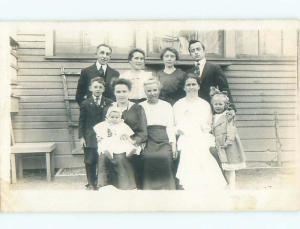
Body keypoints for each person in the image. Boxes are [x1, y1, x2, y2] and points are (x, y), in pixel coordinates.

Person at [173, 76, 227, 190]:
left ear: (198, 86)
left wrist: (200, 129)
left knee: (202, 149)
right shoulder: (179, 104)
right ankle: (190, 183)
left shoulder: (205, 104)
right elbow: (177, 124)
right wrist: (187, 130)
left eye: (193, 84)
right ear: (184, 88)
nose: (191, 87)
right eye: (188, 85)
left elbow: (207, 125)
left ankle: (206, 184)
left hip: (201, 134)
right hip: (185, 135)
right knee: (189, 148)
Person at [109, 78, 148, 189]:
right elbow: (105, 127)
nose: (121, 95)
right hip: (113, 142)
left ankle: (128, 187)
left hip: (132, 142)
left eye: (124, 91)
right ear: (114, 93)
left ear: (129, 92)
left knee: (121, 156)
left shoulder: (137, 108)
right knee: (104, 156)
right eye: (118, 92)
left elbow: (143, 132)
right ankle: (107, 187)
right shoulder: (110, 108)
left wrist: (135, 141)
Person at [140, 78, 176, 190]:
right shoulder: (140, 106)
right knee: (147, 156)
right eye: (149, 91)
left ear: (159, 91)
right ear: (145, 92)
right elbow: (139, 127)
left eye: (155, 90)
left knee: (165, 156)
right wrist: (141, 142)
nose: (152, 93)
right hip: (148, 137)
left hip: (163, 137)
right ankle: (149, 187)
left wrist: (173, 144)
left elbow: (170, 126)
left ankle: (167, 187)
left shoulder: (166, 106)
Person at [78, 77, 113, 190]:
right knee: (90, 160)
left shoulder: (109, 102)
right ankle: (91, 183)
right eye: (95, 87)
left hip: (104, 136)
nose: (98, 89)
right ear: (90, 88)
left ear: (104, 89)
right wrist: (81, 137)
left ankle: (101, 182)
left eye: (100, 87)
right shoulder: (85, 103)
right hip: (90, 136)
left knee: (102, 159)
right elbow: (81, 121)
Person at [94, 106, 140, 190]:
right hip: (109, 142)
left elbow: (128, 135)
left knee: (127, 145)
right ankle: (109, 154)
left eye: (117, 117)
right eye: (112, 117)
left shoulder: (122, 125)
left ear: (120, 118)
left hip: (119, 142)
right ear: (107, 117)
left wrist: (127, 138)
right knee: (104, 145)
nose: (114, 119)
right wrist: (99, 137)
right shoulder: (104, 125)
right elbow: (99, 134)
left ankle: (130, 151)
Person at [210, 87, 246, 189]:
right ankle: (225, 185)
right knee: (223, 166)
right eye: (215, 104)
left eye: (220, 104)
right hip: (219, 144)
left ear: (225, 105)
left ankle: (232, 186)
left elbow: (232, 129)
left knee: (230, 167)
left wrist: (229, 140)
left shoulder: (228, 115)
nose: (217, 106)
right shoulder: (213, 117)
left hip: (228, 145)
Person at [187, 40, 235, 110]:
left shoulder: (214, 68)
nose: (196, 52)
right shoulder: (189, 71)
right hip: (194, 107)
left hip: (211, 106)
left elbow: (224, 88)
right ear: (190, 54)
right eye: (193, 51)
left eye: (198, 49)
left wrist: (231, 108)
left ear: (204, 51)